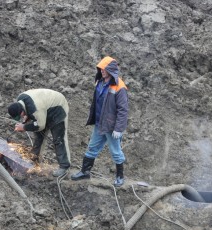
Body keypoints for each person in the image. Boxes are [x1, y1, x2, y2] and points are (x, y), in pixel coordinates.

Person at [71, 56, 128, 187]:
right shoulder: (100, 82)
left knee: (115, 151)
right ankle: (85, 172)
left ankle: (120, 176)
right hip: (99, 123)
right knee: (92, 147)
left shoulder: (120, 87)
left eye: (104, 69)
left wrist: (118, 129)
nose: (101, 71)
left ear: (111, 70)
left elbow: (123, 110)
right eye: (100, 68)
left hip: (110, 125)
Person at [7, 89, 71, 177]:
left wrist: (24, 127)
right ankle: (34, 160)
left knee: (58, 139)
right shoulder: (20, 100)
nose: (21, 117)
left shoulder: (35, 108)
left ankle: (64, 166)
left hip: (58, 109)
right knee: (39, 136)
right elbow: (31, 114)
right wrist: (27, 118)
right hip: (44, 108)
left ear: (21, 111)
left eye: (21, 116)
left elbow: (40, 125)